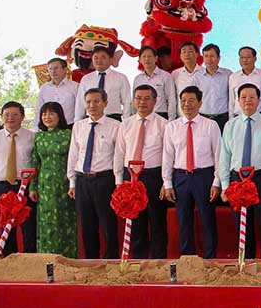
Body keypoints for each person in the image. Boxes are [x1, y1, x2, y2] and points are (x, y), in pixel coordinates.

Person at [219, 83, 261, 259]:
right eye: (243, 97)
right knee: (242, 222)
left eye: (252, 97)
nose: (248, 101)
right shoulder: (230, 126)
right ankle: (246, 259)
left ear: (259, 100)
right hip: (237, 178)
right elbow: (224, 157)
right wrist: (225, 186)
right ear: (238, 100)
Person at [162, 86, 220, 258]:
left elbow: (218, 155)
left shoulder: (210, 125)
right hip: (181, 177)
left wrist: (216, 182)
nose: (187, 104)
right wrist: (167, 183)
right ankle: (187, 258)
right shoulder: (172, 127)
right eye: (183, 101)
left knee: (207, 219)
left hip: (204, 176)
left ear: (200, 103)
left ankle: (210, 258)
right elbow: (167, 156)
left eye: (191, 100)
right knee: (183, 220)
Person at [113, 85, 169, 258]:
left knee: (157, 220)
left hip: (153, 176)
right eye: (138, 98)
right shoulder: (126, 124)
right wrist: (119, 181)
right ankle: (139, 260)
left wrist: (166, 182)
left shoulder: (164, 124)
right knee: (135, 221)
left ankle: (159, 261)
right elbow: (119, 153)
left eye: (146, 98)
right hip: (130, 177)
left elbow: (168, 155)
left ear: (155, 101)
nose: (142, 102)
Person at [67, 88, 120, 257]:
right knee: (87, 225)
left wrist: (118, 183)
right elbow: (73, 155)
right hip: (82, 181)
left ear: (105, 103)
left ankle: (111, 261)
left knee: (108, 224)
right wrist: (72, 182)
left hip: (105, 180)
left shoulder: (116, 126)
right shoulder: (78, 126)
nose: (92, 105)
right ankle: (91, 261)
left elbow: (118, 156)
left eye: (96, 101)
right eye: (89, 102)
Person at [0, 101, 36, 255]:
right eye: (7, 115)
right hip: (1, 187)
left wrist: (34, 187)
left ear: (22, 117)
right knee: (6, 229)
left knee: (29, 228)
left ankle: (29, 261)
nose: (10, 118)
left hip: (24, 187)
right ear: (2, 117)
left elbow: (37, 163)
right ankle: (9, 261)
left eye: (15, 114)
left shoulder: (32, 137)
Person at [29, 102, 77, 257]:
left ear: (59, 116)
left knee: (65, 220)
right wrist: (32, 187)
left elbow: (74, 159)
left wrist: (73, 182)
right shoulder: (39, 136)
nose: (47, 117)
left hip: (65, 184)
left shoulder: (68, 134)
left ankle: (68, 257)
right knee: (46, 221)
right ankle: (46, 257)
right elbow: (35, 162)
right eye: (44, 114)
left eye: (51, 113)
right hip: (44, 186)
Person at [75, 48, 132, 120]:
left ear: (110, 60)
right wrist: (77, 122)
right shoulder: (86, 79)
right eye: (96, 58)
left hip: (113, 117)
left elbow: (127, 102)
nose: (99, 60)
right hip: (91, 118)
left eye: (103, 57)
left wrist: (126, 121)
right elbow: (80, 103)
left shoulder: (121, 78)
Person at [133, 46, 177, 120]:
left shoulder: (165, 76)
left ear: (156, 58)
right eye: (144, 56)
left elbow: (171, 99)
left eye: (149, 56)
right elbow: (134, 100)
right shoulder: (138, 79)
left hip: (160, 115)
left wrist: (171, 119)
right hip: (142, 116)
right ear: (140, 60)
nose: (147, 59)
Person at [197, 43, 232, 131]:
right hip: (203, 117)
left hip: (222, 118)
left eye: (212, 56)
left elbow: (232, 97)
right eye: (206, 56)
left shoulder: (228, 74)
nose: (209, 59)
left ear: (218, 58)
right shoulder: (197, 77)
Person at [36, 57, 78, 126]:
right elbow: (39, 109)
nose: (53, 71)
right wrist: (36, 128)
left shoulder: (75, 86)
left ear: (65, 69)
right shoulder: (44, 88)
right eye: (50, 69)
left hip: (70, 125)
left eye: (56, 68)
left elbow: (80, 109)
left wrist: (77, 125)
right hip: (49, 127)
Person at [229, 46, 261, 117]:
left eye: (248, 57)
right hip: (238, 117)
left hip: (258, 117)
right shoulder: (233, 77)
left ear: (255, 59)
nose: (244, 60)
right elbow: (231, 101)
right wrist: (231, 119)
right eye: (242, 57)